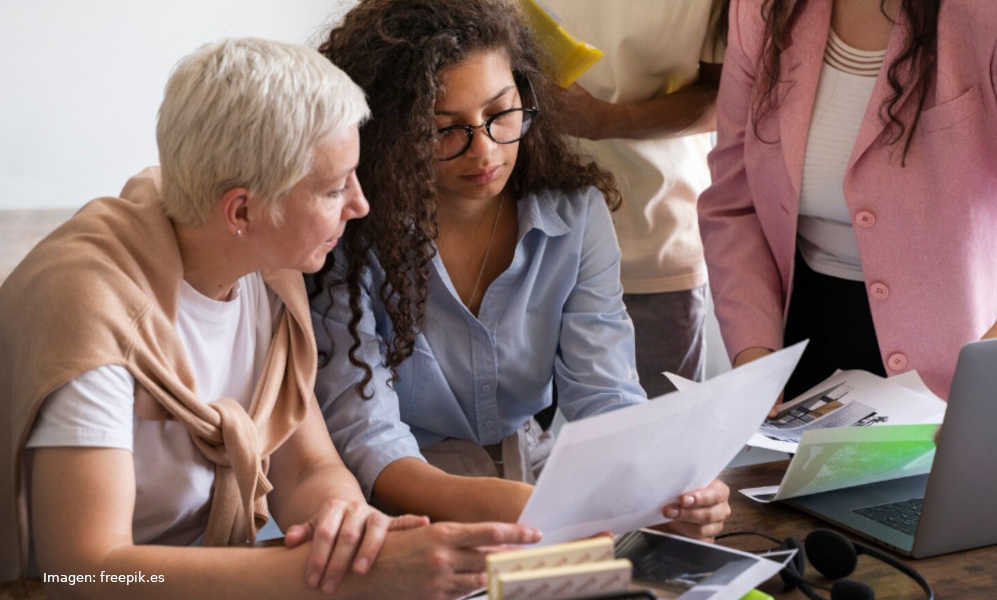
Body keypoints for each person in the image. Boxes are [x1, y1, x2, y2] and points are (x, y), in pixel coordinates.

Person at [0, 38, 540, 599]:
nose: (360, 205)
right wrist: (339, 579)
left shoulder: (266, 270)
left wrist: (352, 534)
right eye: (334, 188)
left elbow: (307, 470)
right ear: (241, 210)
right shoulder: (90, 313)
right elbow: (83, 570)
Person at [311, 0, 731, 540]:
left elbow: (605, 396)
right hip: (399, 507)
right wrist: (527, 508)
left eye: (501, 113)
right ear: (390, 133)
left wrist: (664, 489)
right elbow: (367, 437)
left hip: (532, 483)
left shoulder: (574, 215)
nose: (485, 150)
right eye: (444, 129)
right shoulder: (349, 232)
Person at [699, 0, 997, 408]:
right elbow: (735, 204)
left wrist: (981, 383)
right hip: (799, 339)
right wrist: (756, 363)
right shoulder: (760, 10)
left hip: (962, 356)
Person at [543, 0, 729, 397]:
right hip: (520, 238)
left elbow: (727, 96)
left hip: (650, 241)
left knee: (657, 429)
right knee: (504, 433)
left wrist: (602, 120)